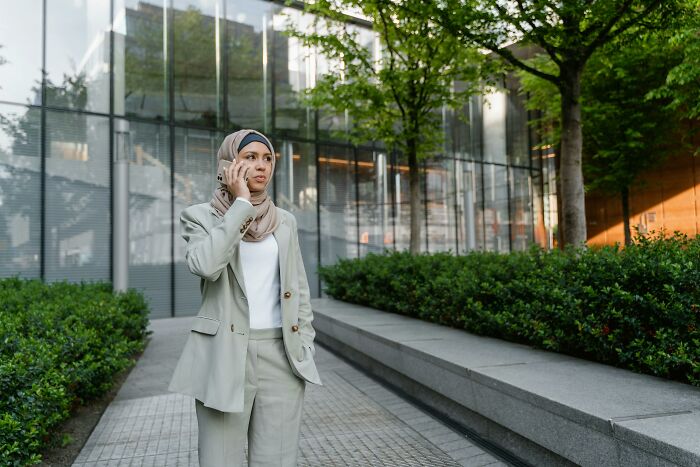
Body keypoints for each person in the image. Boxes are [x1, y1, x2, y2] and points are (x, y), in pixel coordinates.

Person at [168, 129, 323, 467]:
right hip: (223, 354)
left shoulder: (285, 222)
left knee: (277, 461)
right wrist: (240, 206)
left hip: (281, 357)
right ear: (228, 164)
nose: (261, 166)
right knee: (219, 460)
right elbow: (205, 266)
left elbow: (299, 288)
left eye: (267, 159)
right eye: (250, 157)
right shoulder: (200, 217)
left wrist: (305, 343)